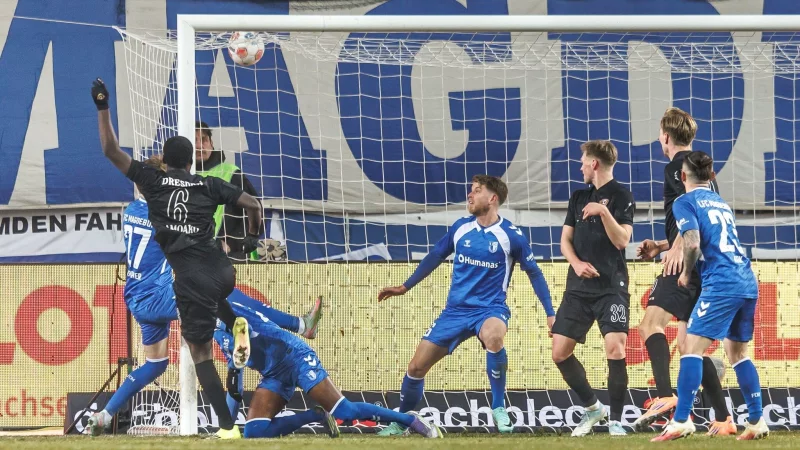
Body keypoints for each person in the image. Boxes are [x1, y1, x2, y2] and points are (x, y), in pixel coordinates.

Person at [85, 167, 324, 436]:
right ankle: (288, 328)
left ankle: (104, 415)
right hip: (158, 296)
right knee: (223, 299)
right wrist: (236, 247)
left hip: (137, 298)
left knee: (155, 364)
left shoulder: (131, 211)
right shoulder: (161, 214)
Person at [92, 78, 261, 438]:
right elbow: (252, 203)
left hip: (144, 295)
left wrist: (103, 106)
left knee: (178, 357)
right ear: (191, 161)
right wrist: (250, 240)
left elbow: (110, 150)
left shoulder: (144, 198)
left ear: (163, 165)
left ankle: (225, 424)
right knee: (214, 312)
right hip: (213, 273)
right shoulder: (208, 184)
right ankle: (235, 330)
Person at [376, 175, 554, 435]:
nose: (470, 195)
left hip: (490, 309)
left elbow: (535, 273)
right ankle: (400, 421)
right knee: (416, 367)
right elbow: (436, 254)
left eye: (477, 191)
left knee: (494, 335)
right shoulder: (460, 227)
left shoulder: (511, 236)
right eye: (471, 190)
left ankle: (498, 407)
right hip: (455, 311)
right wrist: (405, 287)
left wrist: (551, 314)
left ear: (492, 198)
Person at [652, 151, 767, 441]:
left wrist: (687, 273)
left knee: (691, 347)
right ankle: (756, 421)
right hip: (747, 280)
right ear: (712, 177)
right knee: (737, 353)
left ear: (682, 177)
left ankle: (681, 421)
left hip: (722, 282)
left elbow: (691, 243)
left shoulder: (683, 201)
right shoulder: (720, 202)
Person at [216, 292, 442, 439]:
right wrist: (227, 427)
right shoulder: (215, 335)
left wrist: (301, 325)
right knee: (254, 432)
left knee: (345, 411)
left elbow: (259, 318)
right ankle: (317, 415)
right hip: (273, 374)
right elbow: (235, 382)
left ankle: (411, 420)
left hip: (295, 357)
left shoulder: (231, 310)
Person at [634, 108, 732, 434]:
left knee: (650, 324)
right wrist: (662, 245)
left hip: (685, 263)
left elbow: (688, 216)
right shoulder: (700, 170)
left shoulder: (677, 167)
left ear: (665, 136)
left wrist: (674, 249)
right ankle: (722, 418)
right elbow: (699, 218)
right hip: (703, 263)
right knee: (691, 346)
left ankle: (664, 396)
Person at [551, 140, 635, 437]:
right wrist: (575, 263)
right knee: (559, 352)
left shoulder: (621, 196)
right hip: (578, 287)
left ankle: (615, 420)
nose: (581, 166)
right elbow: (565, 241)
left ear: (595, 164)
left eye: (583, 161)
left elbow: (623, 241)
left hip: (611, 286)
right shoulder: (577, 198)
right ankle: (592, 408)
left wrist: (603, 212)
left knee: (615, 348)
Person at [195, 121, 264, 261]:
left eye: (204, 140)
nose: (199, 146)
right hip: (194, 257)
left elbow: (255, 208)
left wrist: (233, 245)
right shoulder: (180, 176)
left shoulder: (231, 172)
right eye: (194, 141)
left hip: (231, 258)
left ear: (211, 143)